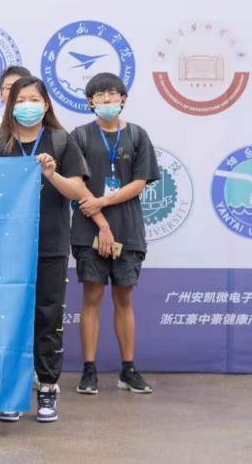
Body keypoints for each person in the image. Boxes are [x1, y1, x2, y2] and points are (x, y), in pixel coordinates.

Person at [0, 76, 89, 423]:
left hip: (50, 245)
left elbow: (78, 191)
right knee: (9, 319)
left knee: (48, 317)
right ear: (10, 105)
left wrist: (52, 174)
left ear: (46, 104)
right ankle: (12, 391)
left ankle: (47, 388)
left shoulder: (61, 140)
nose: (27, 106)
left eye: (34, 99)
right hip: (6, 246)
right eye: (20, 100)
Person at [70, 73, 158, 396]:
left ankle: (128, 370)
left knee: (124, 299)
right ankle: (89, 371)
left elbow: (139, 182)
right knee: (91, 298)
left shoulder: (137, 135)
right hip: (88, 230)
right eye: (99, 95)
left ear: (123, 98)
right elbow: (75, 183)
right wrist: (101, 223)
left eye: (112, 94)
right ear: (90, 102)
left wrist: (103, 202)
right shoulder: (80, 136)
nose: (106, 100)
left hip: (128, 230)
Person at [0, 66, 31, 140]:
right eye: (10, 88)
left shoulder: (44, 127)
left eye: (21, 87)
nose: (15, 92)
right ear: (0, 93)